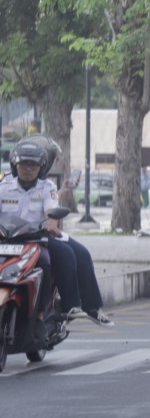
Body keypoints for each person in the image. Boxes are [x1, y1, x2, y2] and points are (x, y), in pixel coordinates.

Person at [0, 138, 114, 329]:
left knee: (75, 254)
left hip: (37, 238)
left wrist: (51, 226)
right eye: (23, 164)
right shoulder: (3, 186)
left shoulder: (47, 187)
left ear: (41, 167)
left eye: (33, 164)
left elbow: (51, 215)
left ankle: (76, 307)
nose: (27, 168)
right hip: (7, 239)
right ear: (14, 165)